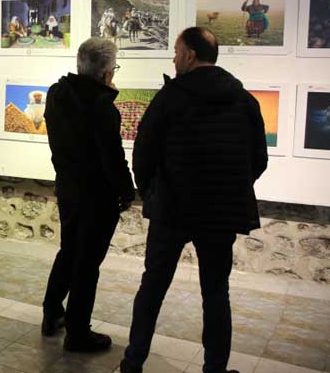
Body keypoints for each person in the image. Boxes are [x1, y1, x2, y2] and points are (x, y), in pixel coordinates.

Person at [119, 27, 268, 373]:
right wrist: (229, 188)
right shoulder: (243, 100)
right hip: (220, 213)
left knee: (153, 287)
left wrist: (152, 191)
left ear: (189, 55)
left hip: (172, 208)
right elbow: (258, 160)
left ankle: (133, 362)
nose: (173, 58)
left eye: (176, 51)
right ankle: (215, 368)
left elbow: (143, 153)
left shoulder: (170, 98)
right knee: (215, 292)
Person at [42, 37, 135, 353]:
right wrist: (126, 191)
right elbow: (112, 157)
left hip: (68, 187)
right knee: (87, 263)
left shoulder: (57, 94)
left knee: (69, 251)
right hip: (97, 195)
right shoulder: (101, 106)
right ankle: (78, 333)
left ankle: (52, 313)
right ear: (106, 72)